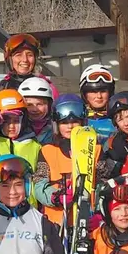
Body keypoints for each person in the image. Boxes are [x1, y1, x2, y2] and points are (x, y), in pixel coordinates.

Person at [33, 96, 86, 228]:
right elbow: (39, 184)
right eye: (64, 122)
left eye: (75, 122)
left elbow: (103, 182)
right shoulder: (48, 151)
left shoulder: (95, 149)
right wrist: (55, 197)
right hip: (55, 220)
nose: (70, 126)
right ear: (57, 125)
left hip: (86, 219)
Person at [78, 64, 117, 139]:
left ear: (110, 93)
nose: (99, 96)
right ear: (84, 94)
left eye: (103, 91)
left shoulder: (119, 117)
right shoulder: (78, 117)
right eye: (93, 91)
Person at [17, 76, 57, 145]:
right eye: (29, 105)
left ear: (49, 105)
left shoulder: (56, 128)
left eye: (39, 104)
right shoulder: (16, 127)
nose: (34, 109)